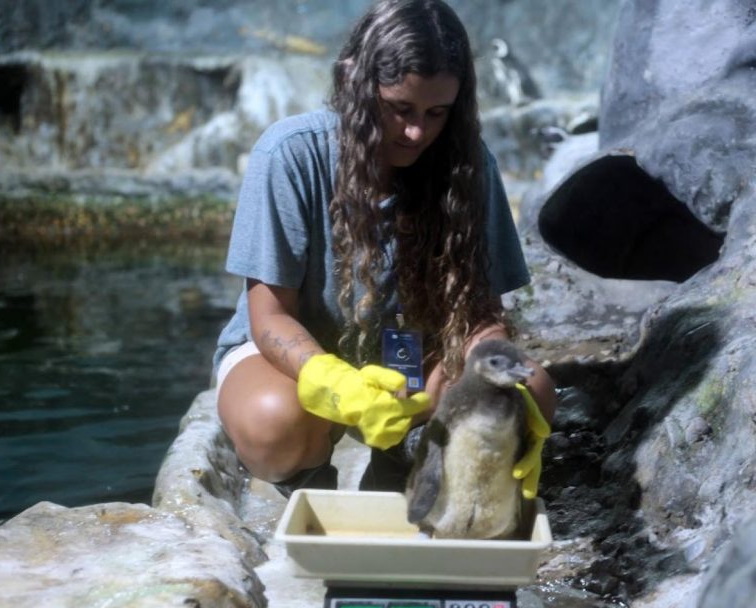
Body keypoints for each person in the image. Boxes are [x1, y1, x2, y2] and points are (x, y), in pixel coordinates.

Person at [212, 0, 556, 496]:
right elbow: (270, 318)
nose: (417, 132)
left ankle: (406, 467)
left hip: (421, 370)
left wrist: (475, 372)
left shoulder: (469, 165)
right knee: (276, 424)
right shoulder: (289, 154)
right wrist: (337, 386)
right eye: (400, 109)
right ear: (355, 83)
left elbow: (482, 315)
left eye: (437, 113)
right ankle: (311, 484)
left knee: (531, 392)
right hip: (300, 364)